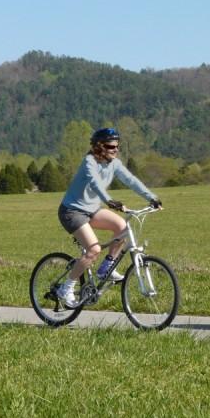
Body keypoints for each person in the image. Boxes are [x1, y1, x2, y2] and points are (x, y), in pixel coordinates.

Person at [55, 127, 162, 308]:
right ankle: (66, 288)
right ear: (99, 147)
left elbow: (131, 180)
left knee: (122, 227)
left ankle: (106, 268)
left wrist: (151, 197)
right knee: (94, 250)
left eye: (117, 146)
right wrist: (110, 201)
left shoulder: (114, 163)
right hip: (71, 211)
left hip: (92, 209)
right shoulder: (89, 162)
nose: (115, 150)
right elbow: (95, 184)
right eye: (111, 146)